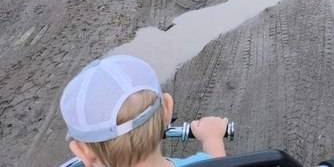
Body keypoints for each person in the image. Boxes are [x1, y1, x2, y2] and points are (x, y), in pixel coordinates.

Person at [60, 55, 229, 167]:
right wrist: (212, 138)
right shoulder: (201, 164)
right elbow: (217, 163)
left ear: (82, 151)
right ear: (167, 109)